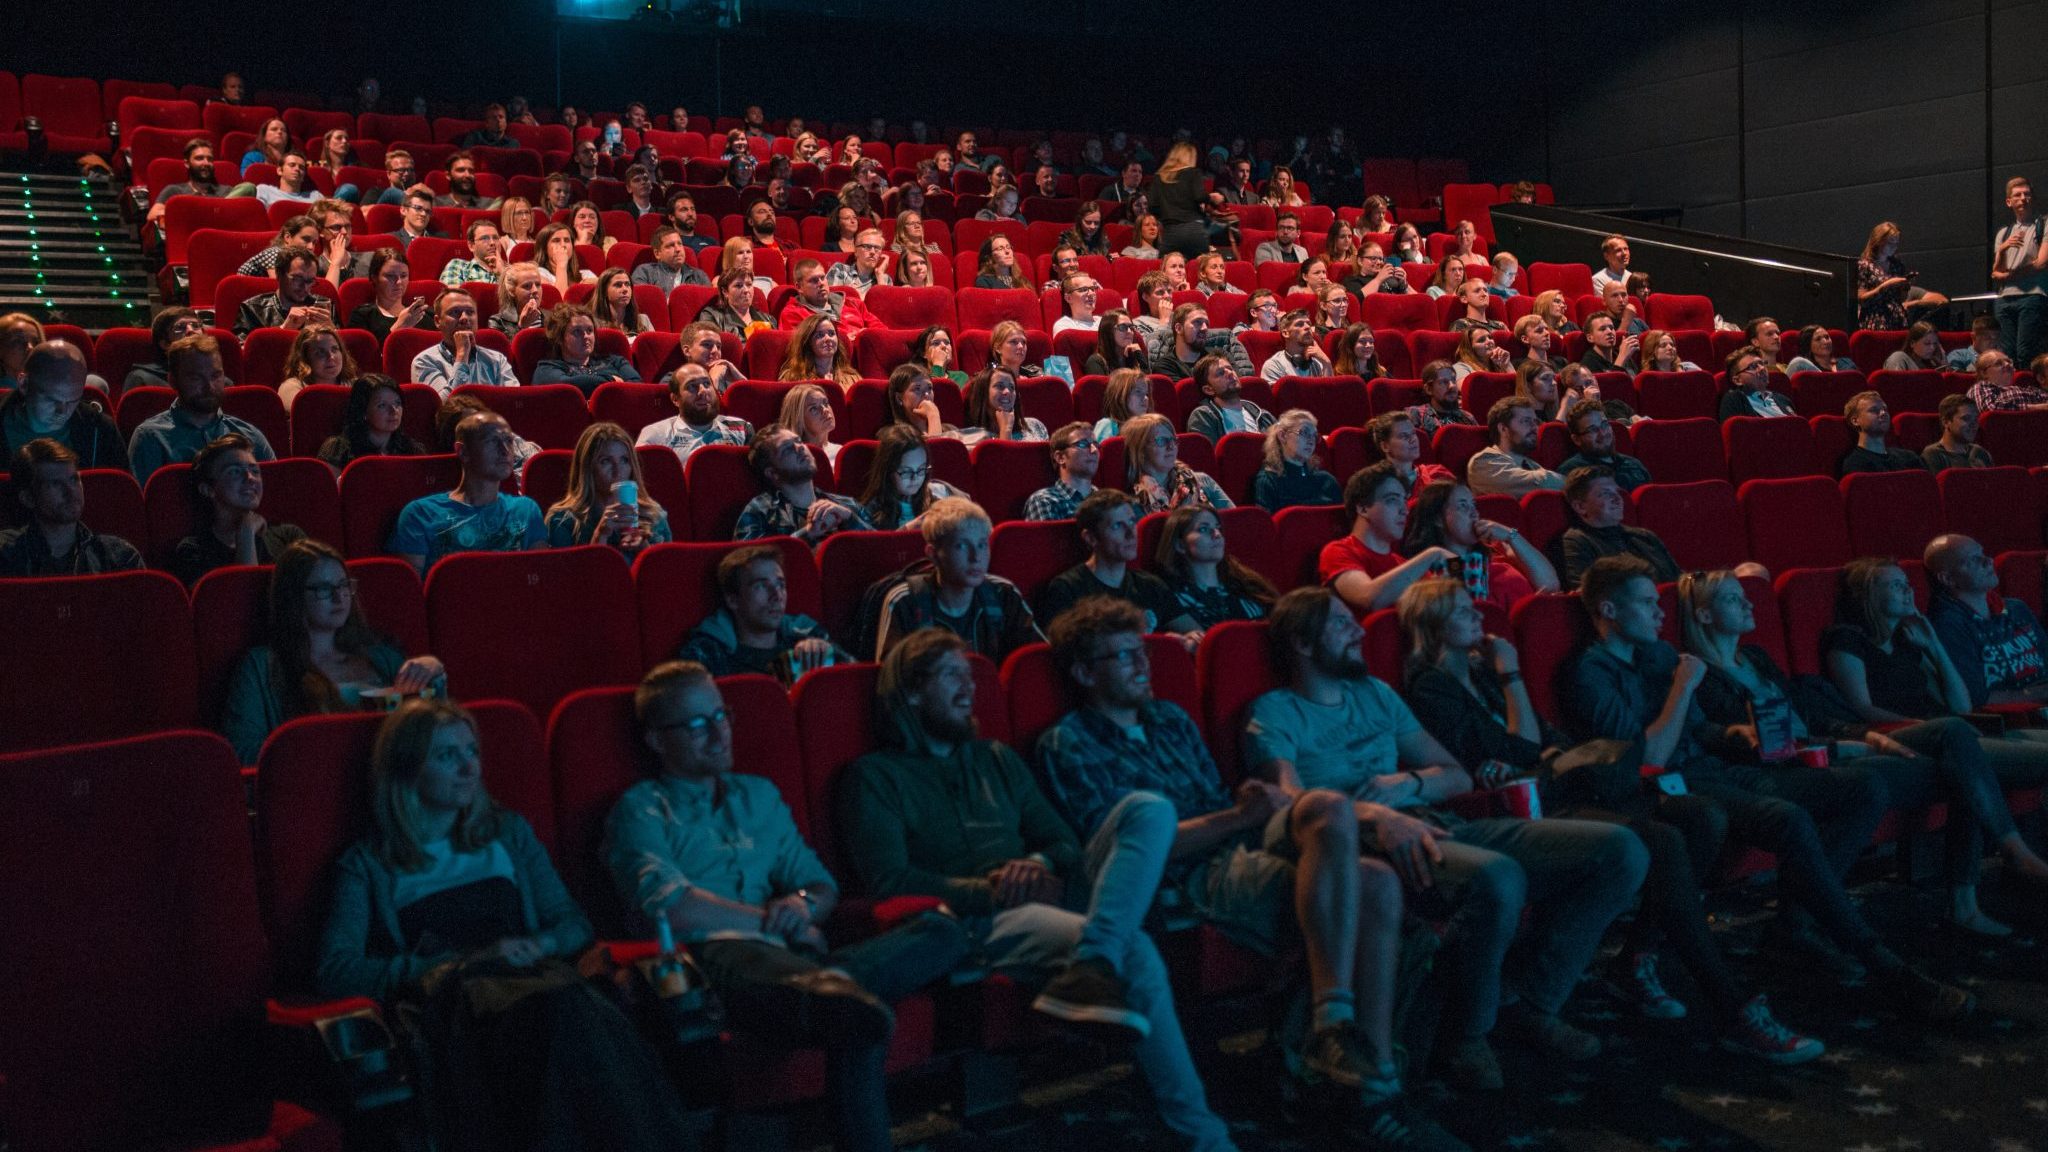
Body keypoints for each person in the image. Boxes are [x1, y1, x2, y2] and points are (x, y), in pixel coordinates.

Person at [1036, 600, 1466, 1149]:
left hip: (1237, 842)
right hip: (1187, 874)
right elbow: (1132, 854)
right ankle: (1373, 1089)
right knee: (1376, 884)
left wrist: (1245, 812)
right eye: (1124, 656)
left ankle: (1339, 1033)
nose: (1143, 665)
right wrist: (1239, 816)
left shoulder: (1169, 719)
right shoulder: (1069, 744)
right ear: (1083, 671)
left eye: (1142, 651)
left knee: (1331, 810)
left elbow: (1224, 809)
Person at [838, 631, 1241, 1152]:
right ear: (912, 693)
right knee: (1135, 950)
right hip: (981, 918)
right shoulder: (874, 777)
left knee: (1150, 809)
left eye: (970, 675)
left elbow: (1063, 842)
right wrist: (992, 890)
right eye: (951, 676)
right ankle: (1206, 1139)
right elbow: (891, 882)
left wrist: (1036, 863)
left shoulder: (996, 758)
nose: (969, 688)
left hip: (1052, 890)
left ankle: (1093, 961)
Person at [1398, 579, 1824, 1064]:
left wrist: (1534, 730)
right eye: (1461, 611)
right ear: (1432, 627)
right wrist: (1514, 678)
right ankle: (1732, 1005)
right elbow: (1518, 749)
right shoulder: (1433, 685)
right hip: (1537, 806)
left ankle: (1637, 957)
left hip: (1574, 786)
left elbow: (1545, 739)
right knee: (1661, 841)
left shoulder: (1483, 672)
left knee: (1701, 818)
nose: (1478, 615)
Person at [1247, 587, 1648, 1082]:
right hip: (1368, 844)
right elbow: (1292, 807)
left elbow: (1455, 775)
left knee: (1621, 850)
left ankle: (1530, 1001)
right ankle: (1469, 1035)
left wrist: (1408, 781)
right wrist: (1375, 815)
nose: (1358, 631)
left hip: (1439, 820)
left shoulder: (1376, 693)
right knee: (1498, 877)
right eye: (1339, 623)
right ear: (1302, 644)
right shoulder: (1274, 712)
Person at [1561, 557, 1974, 1020]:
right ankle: (1885, 965)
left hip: (1715, 768)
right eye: (1645, 603)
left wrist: (1739, 735)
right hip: (1667, 788)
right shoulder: (1591, 673)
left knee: (1862, 787)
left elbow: (1700, 733)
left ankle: (1795, 925)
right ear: (1609, 611)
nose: (1660, 614)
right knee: (1788, 818)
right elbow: (1650, 756)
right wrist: (1682, 688)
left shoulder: (1657, 655)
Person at [608, 662, 968, 1151]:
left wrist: (800, 907)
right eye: (696, 724)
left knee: (940, 929)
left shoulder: (759, 795)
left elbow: (819, 886)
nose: (718, 732)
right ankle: (836, 994)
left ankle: (835, 990)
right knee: (855, 1016)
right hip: (716, 963)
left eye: (721, 715)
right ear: (656, 741)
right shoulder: (642, 808)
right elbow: (669, 909)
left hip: (795, 959)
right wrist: (769, 922)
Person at [318, 698, 694, 1152]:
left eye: (471, 751)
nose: (468, 767)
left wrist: (540, 942)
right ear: (406, 770)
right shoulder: (369, 864)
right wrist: (450, 964)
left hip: (539, 983)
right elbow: (336, 969)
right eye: (447, 755)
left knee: (570, 1011)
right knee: (565, 1016)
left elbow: (571, 923)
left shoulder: (506, 833)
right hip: (461, 1006)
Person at [1689, 566, 2048, 939]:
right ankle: (1979, 887)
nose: (1749, 602)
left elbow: (1816, 717)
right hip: (1811, 762)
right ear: (1703, 615)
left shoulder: (1757, 659)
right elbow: (1758, 744)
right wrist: (1852, 744)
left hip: (1854, 743)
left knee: (1958, 747)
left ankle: (1982, 886)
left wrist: (1870, 738)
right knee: (1959, 755)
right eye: (1733, 598)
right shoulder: (1703, 677)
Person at [1823, 559, 2048, 809]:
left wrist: (1934, 645)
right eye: (1896, 585)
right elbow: (1862, 707)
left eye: (1908, 584)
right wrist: (1927, 728)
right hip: (1912, 736)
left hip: (1953, 731)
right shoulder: (1846, 639)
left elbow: (1960, 704)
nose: (1908, 591)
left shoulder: (1909, 640)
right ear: (1868, 595)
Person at [219, 539, 444, 762]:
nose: (339, 597)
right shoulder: (262, 666)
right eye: (324, 589)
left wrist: (434, 673)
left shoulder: (380, 656)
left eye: (344, 585)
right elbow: (242, 752)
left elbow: (434, 728)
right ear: (294, 596)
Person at [870, 498, 1041, 661]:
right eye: (962, 546)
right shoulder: (905, 602)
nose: (976, 557)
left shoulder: (1003, 593)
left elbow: (1035, 660)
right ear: (933, 554)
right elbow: (892, 682)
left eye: (982, 545)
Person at [389, 410, 546, 573]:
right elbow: (412, 592)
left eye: (508, 440)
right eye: (492, 441)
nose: (505, 450)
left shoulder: (526, 510)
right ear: (463, 451)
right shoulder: (420, 515)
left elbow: (540, 581)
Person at [1036, 489, 1199, 640]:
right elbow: (1065, 653)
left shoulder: (1150, 585)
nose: (1131, 534)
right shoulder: (1068, 589)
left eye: (1132, 522)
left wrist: (1188, 641)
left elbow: (1195, 633)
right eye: (1117, 525)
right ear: (1090, 538)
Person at [674, 549, 847, 682]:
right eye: (761, 586)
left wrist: (827, 652)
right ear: (733, 600)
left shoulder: (806, 636)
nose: (777, 595)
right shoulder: (708, 655)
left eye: (780, 585)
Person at [130, 334, 275, 484]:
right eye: (196, 378)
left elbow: (274, 496)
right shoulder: (151, 437)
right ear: (173, 381)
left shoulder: (250, 436)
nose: (209, 387)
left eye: (216, 376)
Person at [166, 433, 305, 585]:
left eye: (255, 471)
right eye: (235, 471)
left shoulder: (288, 537)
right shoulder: (193, 551)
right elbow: (242, 600)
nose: (250, 477)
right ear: (208, 489)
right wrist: (246, 532)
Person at [1321, 462, 1456, 616]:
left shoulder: (1401, 564)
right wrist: (1432, 554)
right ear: (1363, 508)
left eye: (1404, 501)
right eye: (1392, 500)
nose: (1404, 510)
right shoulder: (1338, 551)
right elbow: (1369, 598)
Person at [1402, 478, 1558, 611]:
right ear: (1437, 519)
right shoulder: (1433, 570)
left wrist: (1511, 535)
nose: (1474, 513)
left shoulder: (1497, 550)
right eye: (1463, 506)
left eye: (1473, 505)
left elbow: (1551, 584)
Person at [0, 439, 143, 576]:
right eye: (55, 484)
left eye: (74, 479)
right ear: (28, 498)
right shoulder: (6, 555)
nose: (71, 491)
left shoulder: (119, 558)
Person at [734, 423, 873, 544]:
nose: (799, 448)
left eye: (799, 441)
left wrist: (849, 519)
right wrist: (808, 534)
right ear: (772, 473)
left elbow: (884, 550)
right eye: (787, 448)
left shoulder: (846, 505)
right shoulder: (759, 511)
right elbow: (752, 565)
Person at [544, 422, 671, 551]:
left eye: (624, 460)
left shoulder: (653, 516)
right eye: (605, 461)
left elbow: (666, 570)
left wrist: (645, 549)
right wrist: (600, 536)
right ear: (588, 469)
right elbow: (569, 571)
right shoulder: (562, 520)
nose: (618, 471)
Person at [0, 340, 125, 469]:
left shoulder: (100, 430)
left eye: (73, 400)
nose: (62, 412)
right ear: (23, 384)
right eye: (52, 400)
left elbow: (119, 486)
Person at [1556, 465, 1680, 585]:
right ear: (1580, 507)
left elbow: (1679, 580)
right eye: (1605, 493)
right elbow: (1589, 594)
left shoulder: (1644, 536)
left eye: (1617, 492)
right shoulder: (1578, 541)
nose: (1617, 498)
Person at [637, 361, 751, 466]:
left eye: (707, 383)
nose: (703, 391)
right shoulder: (655, 436)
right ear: (675, 399)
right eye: (692, 386)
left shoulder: (741, 428)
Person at [411, 290, 516, 397]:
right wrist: (462, 355)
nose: (464, 318)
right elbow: (444, 406)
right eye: (455, 312)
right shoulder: (424, 361)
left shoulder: (497, 359)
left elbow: (513, 402)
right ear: (438, 321)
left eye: (470, 312)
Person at [1122, 413, 1231, 515]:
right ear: (1140, 449)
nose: (1171, 447)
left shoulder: (1203, 481)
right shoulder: (1133, 502)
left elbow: (1233, 523)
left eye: (1173, 440)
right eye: (1161, 441)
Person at [857, 425, 961, 531]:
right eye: (906, 471)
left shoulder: (933, 498)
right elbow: (877, 545)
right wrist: (907, 529)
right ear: (888, 471)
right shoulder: (873, 511)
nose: (915, 478)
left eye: (921, 469)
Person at [1993, 176, 2048, 367]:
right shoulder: (2004, 233)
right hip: (2005, 299)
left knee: (2027, 352)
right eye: (2017, 195)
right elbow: (1995, 272)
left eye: (2027, 194)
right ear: (2009, 202)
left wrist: (2009, 276)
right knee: (2007, 354)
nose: (2023, 198)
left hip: (2033, 296)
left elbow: (2041, 263)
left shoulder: (2044, 224)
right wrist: (2001, 250)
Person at [318, 375, 421, 471]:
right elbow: (328, 489)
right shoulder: (338, 450)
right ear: (363, 411)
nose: (394, 411)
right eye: (382, 405)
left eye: (397, 403)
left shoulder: (411, 449)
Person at [1465, 398, 1563, 498]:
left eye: (1536, 422)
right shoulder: (1483, 462)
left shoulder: (1531, 464)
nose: (1535, 427)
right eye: (1526, 421)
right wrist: (1575, 485)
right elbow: (1542, 482)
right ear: (1503, 429)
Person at [1857, 221, 1947, 330]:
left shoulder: (1896, 264)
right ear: (1878, 241)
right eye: (1890, 243)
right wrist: (1886, 285)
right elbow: (1861, 299)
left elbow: (1901, 298)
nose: (1894, 247)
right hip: (1876, 318)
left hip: (1897, 317)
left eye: (1896, 243)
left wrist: (1905, 286)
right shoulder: (1864, 265)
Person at [531, 305, 637, 395]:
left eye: (589, 330)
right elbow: (567, 385)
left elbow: (637, 386)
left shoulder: (615, 362)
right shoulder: (546, 369)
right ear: (560, 338)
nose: (586, 336)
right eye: (577, 331)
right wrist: (611, 380)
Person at [1251, 409, 1340, 512]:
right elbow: (1266, 526)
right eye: (1304, 432)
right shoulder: (1269, 482)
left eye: (1314, 435)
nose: (1311, 440)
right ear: (1282, 436)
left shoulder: (1327, 481)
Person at [234, 245, 327, 337]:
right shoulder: (252, 309)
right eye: (297, 279)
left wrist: (333, 331)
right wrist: (283, 330)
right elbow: (242, 349)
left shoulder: (323, 306)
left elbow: (339, 349)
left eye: (310, 281)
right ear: (279, 275)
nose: (305, 287)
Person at [1554, 400, 1649, 491]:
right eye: (1592, 429)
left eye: (1604, 424)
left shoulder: (1634, 464)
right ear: (1576, 439)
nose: (1602, 433)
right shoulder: (1572, 472)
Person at [1183, 354, 1275, 444]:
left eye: (1230, 369)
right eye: (1220, 373)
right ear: (1208, 390)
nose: (1230, 373)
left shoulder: (1261, 414)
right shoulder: (1203, 417)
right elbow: (1207, 456)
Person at [1143, 141, 1211, 260]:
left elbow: (1152, 207)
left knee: (1165, 270)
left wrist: (1166, 215)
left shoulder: (1159, 177)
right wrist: (1211, 198)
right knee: (1201, 268)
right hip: (1195, 230)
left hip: (1172, 231)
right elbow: (1199, 196)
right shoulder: (1193, 173)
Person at [1150, 304, 1256, 380]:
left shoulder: (1220, 356)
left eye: (1206, 323)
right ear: (1178, 328)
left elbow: (1236, 386)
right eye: (1197, 322)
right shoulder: (1165, 366)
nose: (1205, 328)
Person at [347, 249, 432, 343]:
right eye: (390, 276)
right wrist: (400, 326)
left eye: (403, 276)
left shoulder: (421, 314)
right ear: (374, 277)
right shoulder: (363, 316)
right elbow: (366, 356)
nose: (399, 282)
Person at [780, 258, 876, 340]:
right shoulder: (792, 314)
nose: (821, 283)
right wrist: (844, 339)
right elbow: (798, 347)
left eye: (823, 277)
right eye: (814, 280)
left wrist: (867, 334)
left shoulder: (854, 303)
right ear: (799, 287)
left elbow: (880, 330)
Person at [1837, 390, 1927, 474]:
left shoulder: (1909, 457)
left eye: (1885, 409)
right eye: (1874, 410)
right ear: (1855, 421)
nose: (1883, 413)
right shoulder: (1855, 463)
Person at [959, 367, 1047, 446]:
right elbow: (1005, 463)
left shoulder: (1035, 426)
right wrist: (1005, 430)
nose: (1007, 392)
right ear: (984, 393)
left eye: (1012, 387)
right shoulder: (970, 439)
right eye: (1000, 386)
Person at [777, 314, 861, 394]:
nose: (828, 339)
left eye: (831, 333)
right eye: (820, 335)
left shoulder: (852, 379)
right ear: (807, 343)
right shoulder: (792, 378)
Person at [1372, 411, 1453, 493]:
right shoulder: (1377, 484)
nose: (1413, 440)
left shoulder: (1437, 473)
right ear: (1385, 446)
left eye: (1413, 433)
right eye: (1404, 436)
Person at [1717, 346, 1798, 420]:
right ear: (1738, 380)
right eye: (1753, 367)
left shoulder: (1783, 399)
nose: (1762, 368)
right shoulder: (1734, 400)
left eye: (1762, 364)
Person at [1922, 394, 1994, 470]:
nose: (1974, 425)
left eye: (1975, 419)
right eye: (1966, 418)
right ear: (1946, 422)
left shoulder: (1980, 453)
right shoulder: (1934, 455)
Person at [1259, 309, 1333, 382]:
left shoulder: (1316, 362)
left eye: (1309, 324)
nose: (1307, 327)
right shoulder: (1274, 366)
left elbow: (1328, 392)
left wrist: (1327, 362)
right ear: (1286, 333)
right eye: (1299, 324)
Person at [1965, 348, 2048, 412]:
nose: (2007, 364)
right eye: (1998, 363)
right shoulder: (1980, 387)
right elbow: (1990, 408)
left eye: (2009, 361)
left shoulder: (2027, 389)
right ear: (1984, 373)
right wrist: (2037, 407)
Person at [781, 382, 844, 467]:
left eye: (826, 403)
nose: (825, 410)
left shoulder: (841, 451)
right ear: (799, 419)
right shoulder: (793, 458)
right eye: (813, 408)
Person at [698, 268, 773, 338]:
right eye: (738, 286)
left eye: (749, 284)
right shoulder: (712, 316)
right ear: (725, 291)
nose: (746, 290)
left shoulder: (768, 319)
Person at [438, 220, 504, 289]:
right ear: (471, 246)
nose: (492, 242)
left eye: (495, 238)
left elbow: (514, 297)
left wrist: (502, 272)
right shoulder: (458, 265)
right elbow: (450, 294)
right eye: (485, 238)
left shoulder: (510, 270)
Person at [589, 267, 655, 336]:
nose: (625, 289)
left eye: (627, 284)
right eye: (618, 285)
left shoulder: (643, 321)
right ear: (604, 291)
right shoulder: (593, 324)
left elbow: (654, 346)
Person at [1085, 312, 1149, 378]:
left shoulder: (1136, 356)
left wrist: (1140, 356)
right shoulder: (1096, 362)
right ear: (1109, 331)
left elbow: (1147, 385)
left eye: (1131, 327)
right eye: (1122, 327)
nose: (1129, 331)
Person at [1577, 313, 1639, 377]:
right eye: (1602, 329)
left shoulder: (1620, 353)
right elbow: (1609, 386)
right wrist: (1621, 358)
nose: (1609, 332)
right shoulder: (1588, 364)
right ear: (1590, 338)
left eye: (1611, 328)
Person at [433, 151, 499, 210]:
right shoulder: (436, 204)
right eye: (460, 170)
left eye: (471, 171)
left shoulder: (488, 205)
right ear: (448, 175)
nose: (467, 175)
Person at [1784, 325, 1857, 374]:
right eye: (1818, 339)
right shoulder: (1806, 368)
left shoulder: (1846, 362)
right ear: (1808, 345)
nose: (1825, 342)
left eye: (1827, 337)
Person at [1051, 274, 1106, 338]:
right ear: (1068, 298)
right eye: (1083, 289)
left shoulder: (1104, 322)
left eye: (1093, 289)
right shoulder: (1064, 326)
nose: (1091, 294)